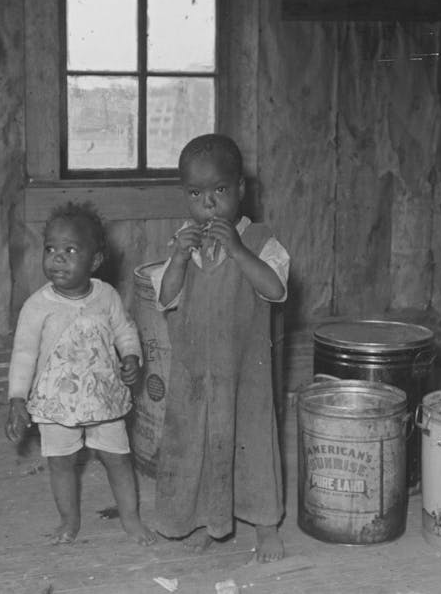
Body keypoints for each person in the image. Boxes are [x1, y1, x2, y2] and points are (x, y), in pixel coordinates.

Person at [149, 133, 289, 562]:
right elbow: (165, 297)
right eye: (195, 193)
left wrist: (239, 249)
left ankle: (266, 527)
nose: (208, 204)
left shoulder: (260, 239)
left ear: (241, 190)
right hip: (195, 377)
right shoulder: (183, 243)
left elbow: (276, 288)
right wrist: (176, 259)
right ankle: (211, 523)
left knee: (252, 445)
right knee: (197, 448)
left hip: (245, 375)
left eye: (220, 191)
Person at [5, 202, 156, 546]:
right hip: (56, 403)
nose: (58, 257)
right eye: (51, 249)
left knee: (118, 460)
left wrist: (131, 356)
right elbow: (24, 353)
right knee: (61, 464)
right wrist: (17, 397)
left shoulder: (106, 296)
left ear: (96, 261)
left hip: (103, 398)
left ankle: (131, 520)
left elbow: (124, 330)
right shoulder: (37, 306)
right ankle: (69, 521)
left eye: (70, 250)